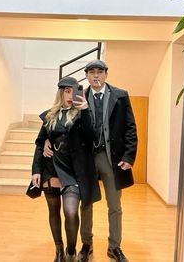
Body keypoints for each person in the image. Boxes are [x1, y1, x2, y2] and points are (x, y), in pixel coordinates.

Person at [44, 60, 137, 262]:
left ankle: (115, 246)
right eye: (92, 72)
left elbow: (130, 127)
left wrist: (129, 156)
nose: (96, 76)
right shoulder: (78, 96)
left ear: (106, 74)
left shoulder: (120, 95)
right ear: (86, 75)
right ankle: (87, 244)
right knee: (86, 203)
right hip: (85, 159)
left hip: (111, 157)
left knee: (114, 203)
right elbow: (61, 125)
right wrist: (46, 141)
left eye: (100, 72)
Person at [31, 76, 101, 262]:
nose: (70, 96)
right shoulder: (50, 115)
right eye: (66, 91)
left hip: (73, 171)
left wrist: (85, 110)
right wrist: (36, 170)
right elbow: (39, 144)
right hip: (51, 169)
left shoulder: (81, 114)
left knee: (70, 212)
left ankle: (71, 250)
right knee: (53, 211)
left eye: (73, 91)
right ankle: (59, 251)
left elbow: (91, 136)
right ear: (61, 93)